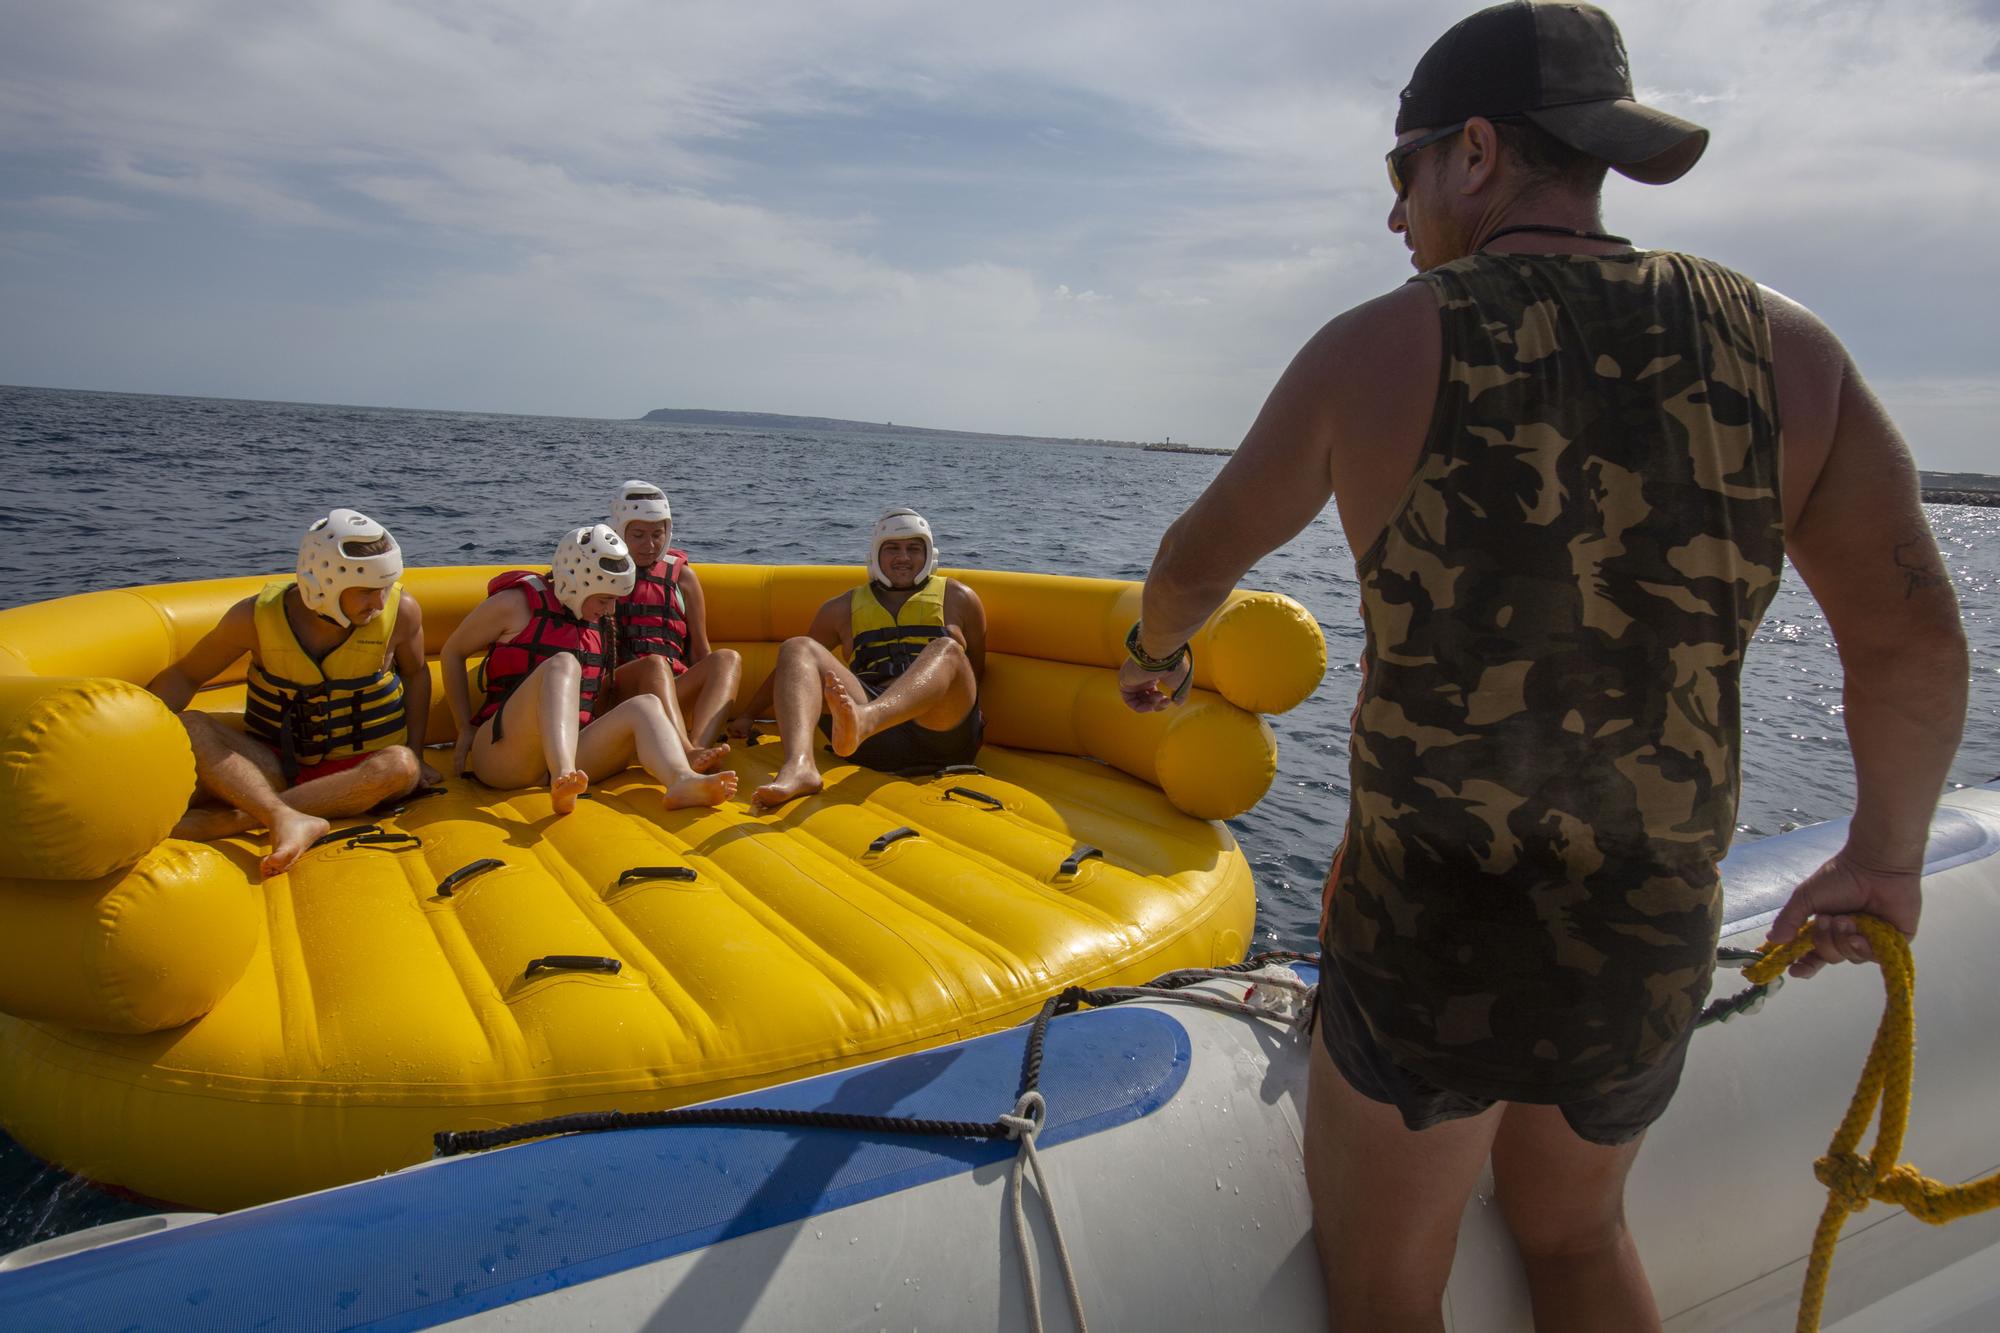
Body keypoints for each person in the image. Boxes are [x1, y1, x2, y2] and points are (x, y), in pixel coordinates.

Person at [1117, 4, 1969, 1329]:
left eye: (1398, 177)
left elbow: (1193, 560)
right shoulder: (1787, 353)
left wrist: (1155, 656)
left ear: (1469, 153)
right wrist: (1885, 854)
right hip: (1645, 932)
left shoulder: (1377, 349)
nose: (1395, 220)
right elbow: (1912, 635)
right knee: (1576, 1236)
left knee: (1390, 1289)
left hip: (1430, 930)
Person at [149, 509, 433, 878]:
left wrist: (419, 752)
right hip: (272, 765)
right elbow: (186, 676)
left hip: (361, 773)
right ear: (325, 582)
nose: (379, 603)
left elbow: (416, 675)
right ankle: (282, 816)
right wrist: (137, 733)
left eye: (384, 587)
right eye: (366, 591)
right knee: (190, 725)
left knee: (401, 766)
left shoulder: (402, 613)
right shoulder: (253, 617)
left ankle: (228, 822)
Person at [441, 524, 737, 814]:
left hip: (576, 755)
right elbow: (453, 652)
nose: (610, 610)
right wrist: (463, 726)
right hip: (505, 755)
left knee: (645, 705)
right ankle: (563, 776)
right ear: (577, 582)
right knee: (563, 663)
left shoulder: (598, 624)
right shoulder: (514, 604)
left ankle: (681, 779)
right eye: (605, 599)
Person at [730, 507, 986, 811]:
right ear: (875, 555)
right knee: (798, 647)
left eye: (914, 549)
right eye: (892, 548)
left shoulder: (959, 598)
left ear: (930, 554)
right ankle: (800, 766)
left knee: (947, 649)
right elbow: (793, 671)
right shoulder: (840, 609)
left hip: (941, 733)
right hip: (869, 740)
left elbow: (976, 671)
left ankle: (866, 719)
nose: (903, 557)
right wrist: (748, 714)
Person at [607, 480, 743, 755]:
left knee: (728, 659)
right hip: (621, 694)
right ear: (620, 531)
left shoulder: (683, 577)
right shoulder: (602, 575)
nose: (650, 544)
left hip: (672, 687)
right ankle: (686, 752)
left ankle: (699, 748)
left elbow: (700, 650)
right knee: (654, 666)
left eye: (658, 534)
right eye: (638, 535)